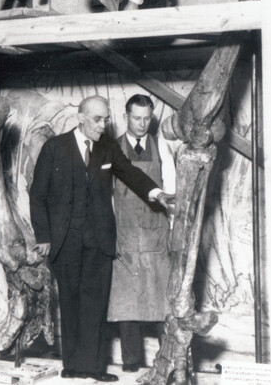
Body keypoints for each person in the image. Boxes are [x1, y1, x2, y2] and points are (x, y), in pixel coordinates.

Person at [29, 96, 175, 382]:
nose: (103, 125)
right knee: (70, 304)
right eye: (98, 119)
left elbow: (131, 173)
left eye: (106, 119)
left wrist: (157, 193)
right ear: (81, 118)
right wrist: (43, 236)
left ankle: (95, 369)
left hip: (99, 241)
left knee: (95, 306)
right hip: (64, 242)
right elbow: (38, 195)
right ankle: (72, 366)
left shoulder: (108, 147)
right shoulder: (55, 148)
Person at [107, 94, 175, 372]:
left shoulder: (161, 147)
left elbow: (171, 193)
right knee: (127, 304)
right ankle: (131, 363)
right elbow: (107, 196)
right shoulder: (113, 149)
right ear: (126, 117)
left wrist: (171, 233)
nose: (142, 123)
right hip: (124, 237)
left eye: (147, 118)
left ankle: (168, 360)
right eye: (136, 118)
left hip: (156, 238)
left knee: (163, 304)